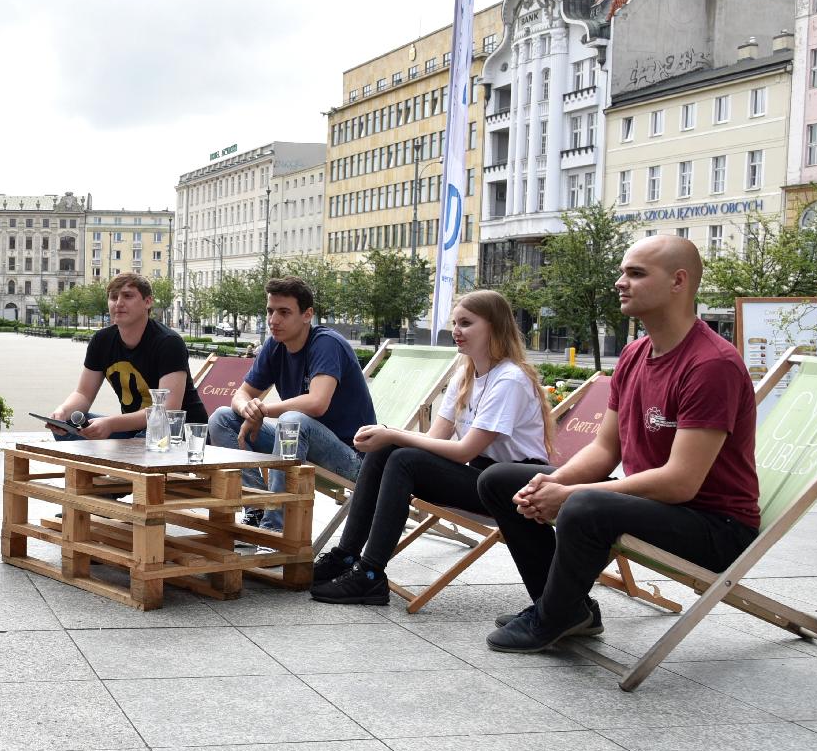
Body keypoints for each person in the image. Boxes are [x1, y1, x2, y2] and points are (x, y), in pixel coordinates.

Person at [479, 235, 761, 653]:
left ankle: (552, 615)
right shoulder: (633, 355)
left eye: (636, 273)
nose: (620, 282)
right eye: (622, 272)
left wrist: (570, 493)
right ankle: (564, 606)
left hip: (714, 526)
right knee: (500, 480)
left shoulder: (711, 364)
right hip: (659, 506)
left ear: (678, 282)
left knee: (585, 504)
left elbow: (680, 483)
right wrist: (547, 485)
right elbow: (604, 450)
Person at [309, 290, 554, 605]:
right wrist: (387, 437)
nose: (456, 331)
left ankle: (370, 573)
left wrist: (393, 434)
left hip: (513, 489)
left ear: (494, 326)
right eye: (454, 323)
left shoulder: (509, 379)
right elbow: (437, 439)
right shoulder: (465, 374)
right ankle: (346, 557)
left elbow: (464, 451)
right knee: (387, 452)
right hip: (481, 478)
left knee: (404, 458)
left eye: (466, 323)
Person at [206, 276, 374, 531]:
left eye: (284, 312)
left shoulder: (326, 343)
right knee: (222, 417)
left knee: (291, 422)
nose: (274, 320)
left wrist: (262, 410)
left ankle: (276, 529)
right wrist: (247, 408)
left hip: (351, 457)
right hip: (299, 445)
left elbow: (317, 403)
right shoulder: (275, 346)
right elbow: (241, 394)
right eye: (270, 311)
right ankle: (257, 508)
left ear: (307, 315)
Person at [50, 272, 206, 439]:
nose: (118, 303)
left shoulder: (168, 342)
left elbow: (167, 409)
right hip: (133, 429)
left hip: (176, 432)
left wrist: (111, 424)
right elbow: (83, 394)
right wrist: (63, 411)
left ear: (148, 302)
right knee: (69, 427)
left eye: (127, 296)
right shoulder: (101, 340)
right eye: (113, 297)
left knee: (144, 440)